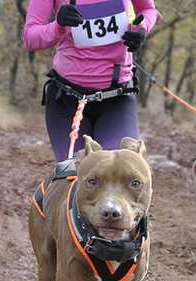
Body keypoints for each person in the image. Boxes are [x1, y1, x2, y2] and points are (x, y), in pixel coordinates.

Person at [23, 0, 157, 162]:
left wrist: (142, 28)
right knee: (73, 174)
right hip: (67, 100)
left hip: (117, 99)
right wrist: (58, 26)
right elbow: (30, 37)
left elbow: (147, 9)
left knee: (121, 170)